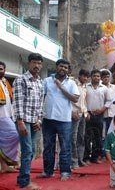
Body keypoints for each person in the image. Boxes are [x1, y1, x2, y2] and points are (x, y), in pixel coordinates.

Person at [38, 59, 79, 181]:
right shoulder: (47, 81)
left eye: (66, 68)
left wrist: (61, 87)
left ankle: (65, 172)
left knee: (65, 146)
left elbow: (75, 99)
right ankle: (48, 171)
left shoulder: (71, 83)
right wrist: (39, 116)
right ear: (56, 67)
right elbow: (42, 97)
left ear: (68, 70)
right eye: (61, 66)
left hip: (64, 120)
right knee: (48, 146)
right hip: (48, 119)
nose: (63, 69)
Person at [13, 53, 44, 190]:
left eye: (39, 63)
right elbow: (18, 102)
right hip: (24, 120)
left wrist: (39, 119)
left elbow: (41, 103)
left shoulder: (40, 82)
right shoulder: (21, 80)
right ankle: (25, 182)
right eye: (34, 63)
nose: (37, 66)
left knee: (31, 151)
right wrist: (20, 121)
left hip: (35, 122)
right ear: (28, 63)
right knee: (27, 151)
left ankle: (21, 178)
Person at [84, 69, 110, 164]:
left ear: (100, 78)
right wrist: (86, 112)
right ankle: (86, 157)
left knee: (98, 136)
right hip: (88, 115)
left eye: (98, 76)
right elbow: (82, 100)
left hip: (99, 115)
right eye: (94, 76)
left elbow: (109, 101)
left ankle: (94, 157)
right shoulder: (86, 87)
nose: (96, 78)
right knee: (87, 136)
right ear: (91, 77)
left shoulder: (104, 88)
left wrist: (102, 109)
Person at [0, 61, 18, 173]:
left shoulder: (5, 82)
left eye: (1, 69)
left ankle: (4, 166)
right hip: (2, 117)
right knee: (14, 134)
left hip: (8, 114)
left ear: (4, 70)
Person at [71, 69, 90, 169]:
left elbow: (84, 101)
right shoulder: (73, 84)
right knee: (73, 138)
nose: (85, 78)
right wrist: (71, 111)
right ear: (80, 76)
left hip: (83, 113)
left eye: (87, 77)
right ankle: (73, 161)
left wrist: (86, 112)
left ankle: (80, 159)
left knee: (81, 137)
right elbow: (69, 99)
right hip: (75, 114)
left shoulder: (85, 86)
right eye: (84, 76)